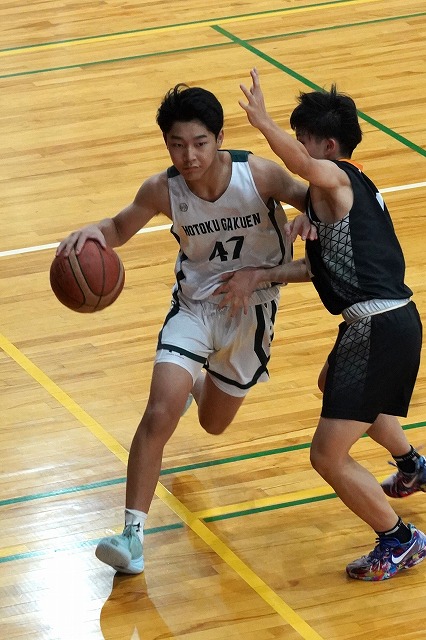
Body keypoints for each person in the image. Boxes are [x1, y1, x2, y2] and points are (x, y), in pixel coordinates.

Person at [57, 82, 311, 574]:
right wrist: (94, 232)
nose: (188, 156)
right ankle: (132, 536)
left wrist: (310, 223)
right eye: (177, 144)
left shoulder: (258, 175)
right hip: (194, 308)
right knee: (159, 412)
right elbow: (119, 227)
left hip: (251, 312)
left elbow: (317, 199)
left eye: (199, 143)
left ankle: (198, 381)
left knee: (213, 423)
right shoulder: (162, 189)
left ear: (219, 138)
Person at [215, 68, 426, 581]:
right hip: (383, 322)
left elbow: (305, 165)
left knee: (326, 456)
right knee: (332, 383)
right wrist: (259, 275)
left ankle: (399, 540)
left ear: (329, 147)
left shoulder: (339, 177)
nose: (301, 149)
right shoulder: (342, 198)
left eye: (304, 138)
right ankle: (413, 465)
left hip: (379, 326)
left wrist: (263, 123)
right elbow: (316, 269)